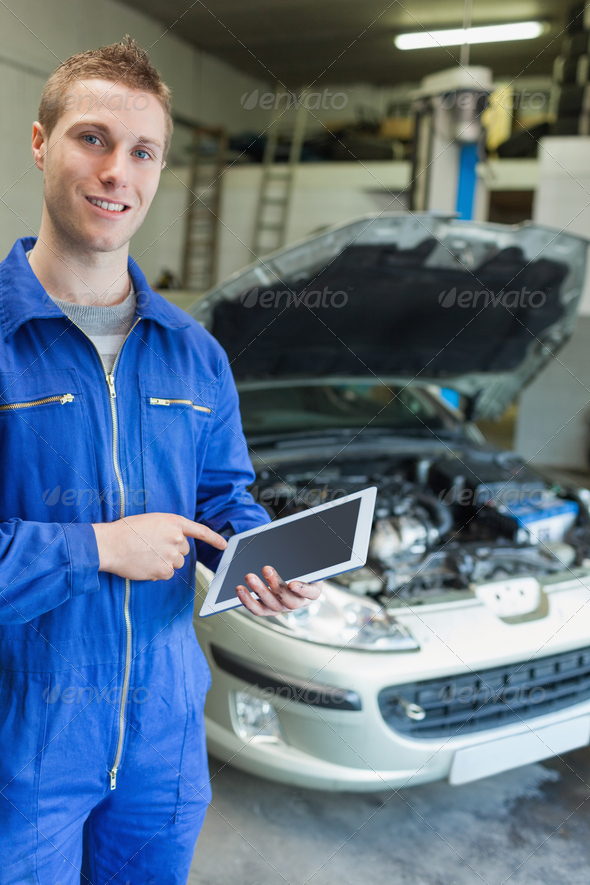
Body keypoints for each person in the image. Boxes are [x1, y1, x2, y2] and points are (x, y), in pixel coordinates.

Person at [0, 36, 320, 885]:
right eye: (92, 138)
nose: (118, 172)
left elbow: (223, 497)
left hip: (165, 735)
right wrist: (102, 546)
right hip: (23, 738)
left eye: (143, 152)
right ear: (41, 144)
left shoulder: (195, 354)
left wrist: (257, 555)